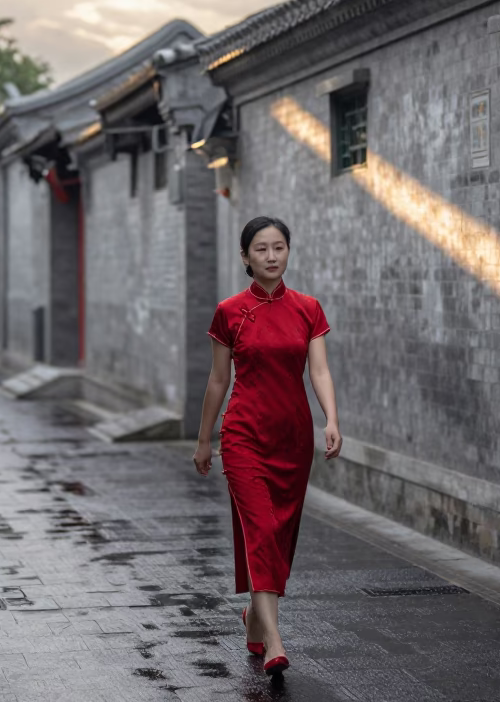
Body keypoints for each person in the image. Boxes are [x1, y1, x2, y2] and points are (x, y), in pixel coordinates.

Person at [193, 216, 342, 679]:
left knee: (279, 534)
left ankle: (255, 618)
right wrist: (204, 439)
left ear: (288, 252)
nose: (271, 256)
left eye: (279, 247)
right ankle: (274, 639)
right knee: (258, 528)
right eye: (261, 249)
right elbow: (219, 380)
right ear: (245, 257)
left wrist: (331, 419)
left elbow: (318, 371)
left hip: (293, 438)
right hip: (243, 436)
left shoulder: (307, 308)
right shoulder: (230, 311)